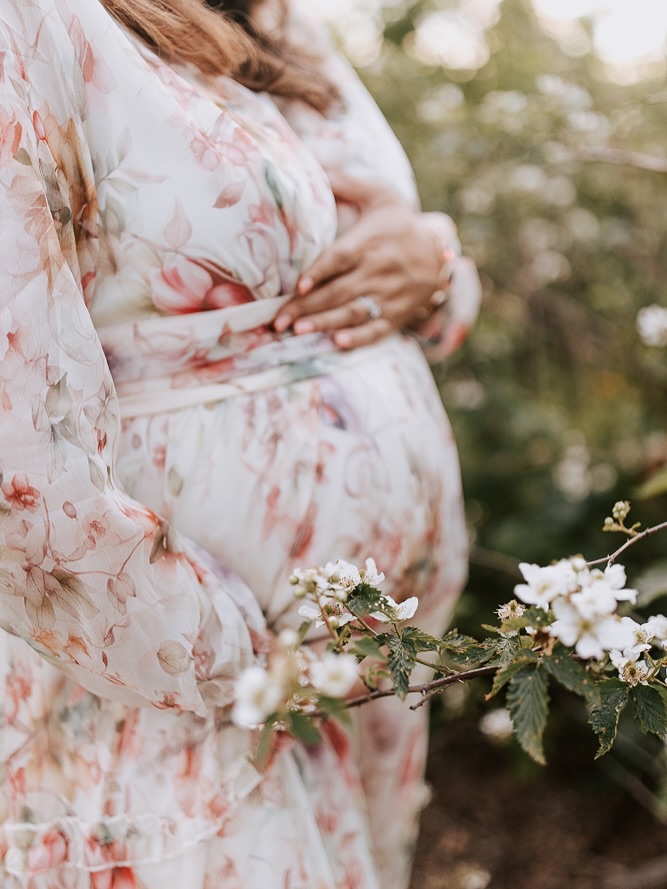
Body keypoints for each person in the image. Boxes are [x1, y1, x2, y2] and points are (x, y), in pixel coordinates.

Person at [0, 0, 481, 887]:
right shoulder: (35, 22)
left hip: (351, 682)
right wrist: (229, 660)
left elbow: (391, 262)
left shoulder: (278, 16)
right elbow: (12, 421)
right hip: (176, 690)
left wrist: (439, 263)